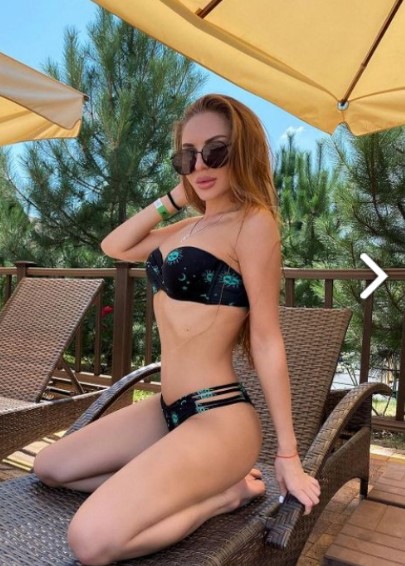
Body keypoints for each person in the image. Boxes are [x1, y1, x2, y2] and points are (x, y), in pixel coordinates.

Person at [34, 93, 321, 565]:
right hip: (166, 409)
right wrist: (176, 197)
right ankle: (166, 489)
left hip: (219, 417)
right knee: (50, 466)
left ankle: (222, 497)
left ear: (243, 152)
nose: (200, 164)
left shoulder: (253, 224)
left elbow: (267, 339)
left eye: (216, 151)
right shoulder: (184, 228)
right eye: (187, 156)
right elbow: (114, 245)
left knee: (90, 541)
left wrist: (287, 456)